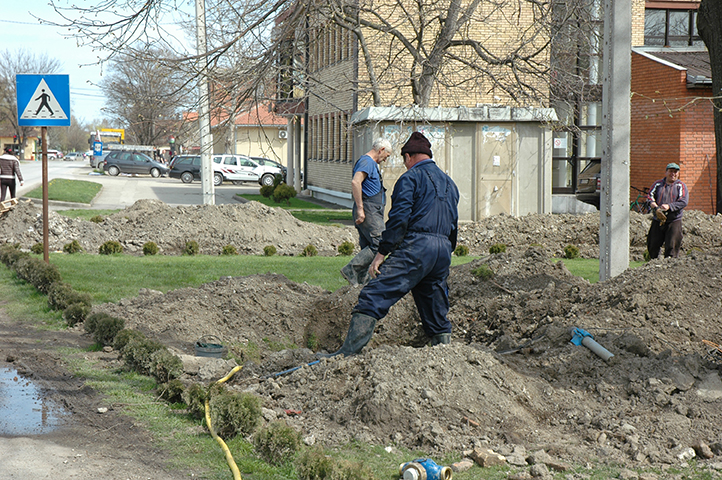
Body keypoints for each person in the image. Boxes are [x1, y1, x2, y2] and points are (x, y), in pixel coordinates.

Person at [320, 132, 460, 358]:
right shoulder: (449, 183)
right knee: (435, 308)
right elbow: (453, 221)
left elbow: (398, 220)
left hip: (418, 247)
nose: (405, 164)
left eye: (405, 159)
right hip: (443, 251)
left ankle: (345, 355)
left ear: (409, 156)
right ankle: (444, 358)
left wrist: (381, 253)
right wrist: (444, 252)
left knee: (374, 294)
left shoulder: (411, 178)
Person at [340, 138, 392, 285]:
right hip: (368, 210)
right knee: (380, 243)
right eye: (386, 156)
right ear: (381, 150)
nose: (385, 160)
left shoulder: (371, 164)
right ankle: (351, 270)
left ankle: (362, 283)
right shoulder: (367, 162)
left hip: (371, 210)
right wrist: (361, 209)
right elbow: (356, 182)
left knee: (367, 246)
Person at [646, 162, 688, 258]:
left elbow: (683, 201)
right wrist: (656, 208)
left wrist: (669, 207)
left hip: (674, 220)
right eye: (670, 171)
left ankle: (669, 269)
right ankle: (653, 266)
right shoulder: (657, 184)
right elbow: (649, 197)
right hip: (658, 220)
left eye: (675, 172)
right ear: (666, 172)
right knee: (653, 245)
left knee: (671, 247)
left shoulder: (681, 186)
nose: (673, 174)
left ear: (678, 173)